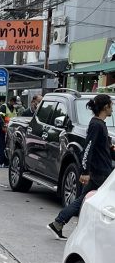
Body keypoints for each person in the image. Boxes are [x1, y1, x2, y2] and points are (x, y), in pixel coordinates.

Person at [48, 93, 114, 239]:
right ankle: (63, 223)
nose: (112, 108)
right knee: (94, 200)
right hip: (100, 172)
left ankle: (59, 223)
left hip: (101, 170)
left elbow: (102, 148)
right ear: (105, 107)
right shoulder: (96, 125)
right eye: (111, 105)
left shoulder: (99, 124)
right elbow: (88, 148)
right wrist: (85, 171)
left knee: (85, 199)